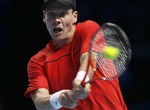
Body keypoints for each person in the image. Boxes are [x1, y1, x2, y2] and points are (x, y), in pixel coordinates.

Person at [24, 0, 128, 110]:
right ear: (44, 17)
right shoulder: (37, 61)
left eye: (63, 14)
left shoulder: (88, 28)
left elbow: (88, 57)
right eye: (51, 14)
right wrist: (60, 98)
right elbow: (40, 102)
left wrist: (80, 79)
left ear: (75, 16)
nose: (57, 20)